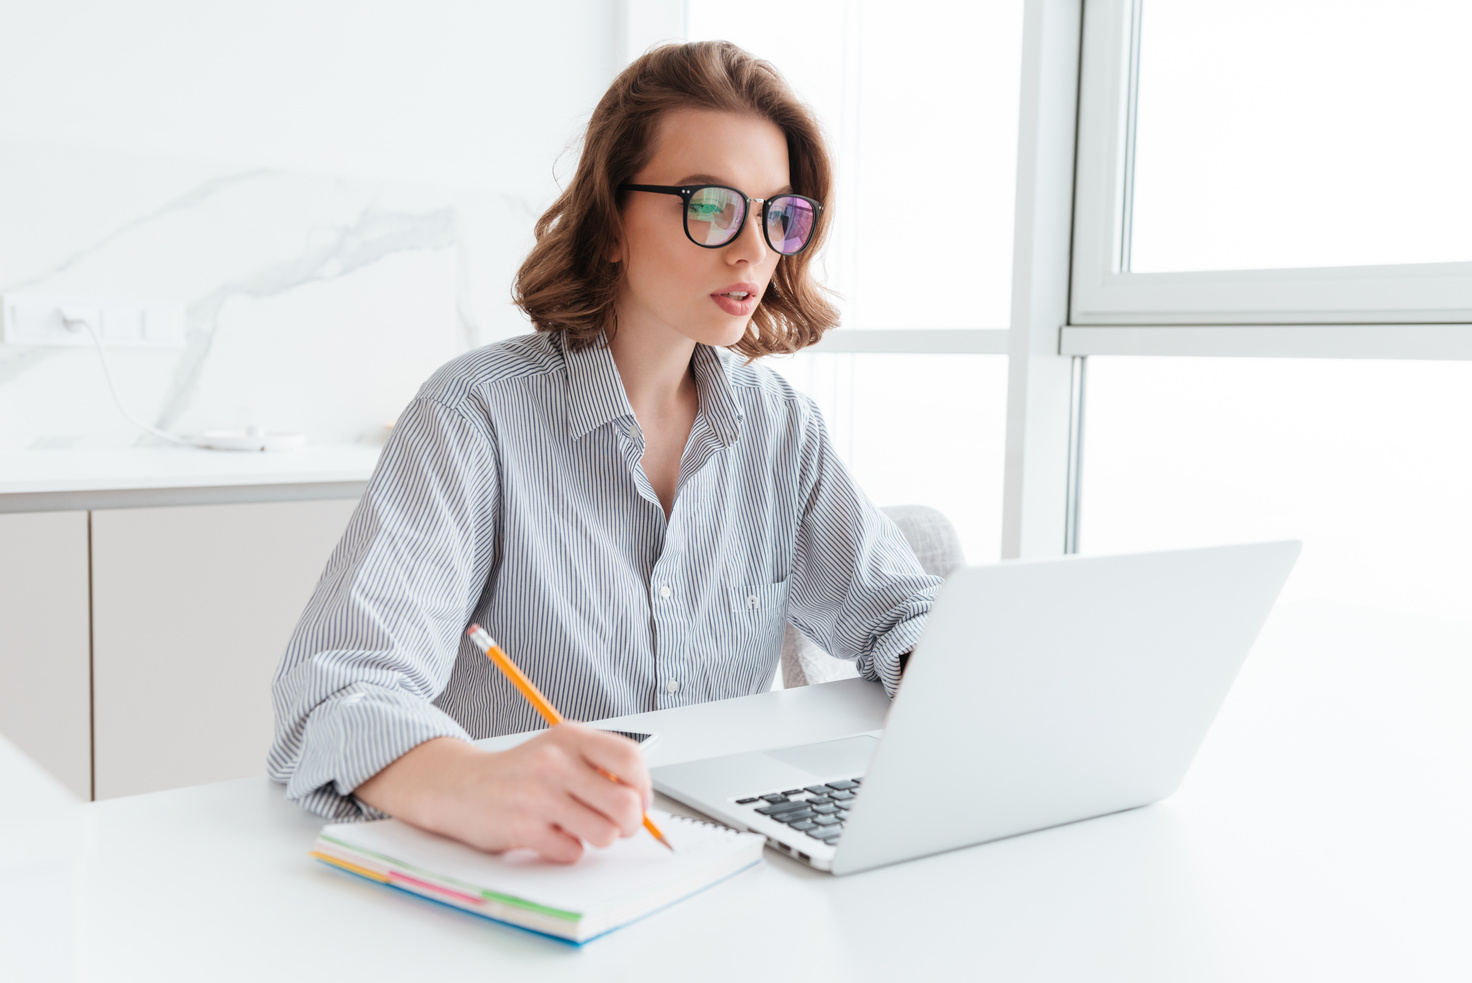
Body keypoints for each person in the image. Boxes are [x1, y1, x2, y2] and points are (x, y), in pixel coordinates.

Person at [268, 41, 941, 864]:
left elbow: (902, 610)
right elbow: (335, 687)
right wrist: (466, 779)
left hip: (717, 861)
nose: (751, 252)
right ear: (612, 221)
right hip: (527, 876)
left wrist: (946, 680)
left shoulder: (780, 430)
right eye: (710, 207)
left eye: (777, 215)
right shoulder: (473, 415)